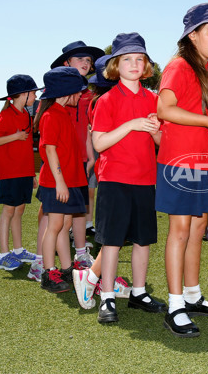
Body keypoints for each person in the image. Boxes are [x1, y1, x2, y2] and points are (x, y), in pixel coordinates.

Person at [156, 3, 208, 338]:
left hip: (204, 162)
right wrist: (207, 120)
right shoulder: (178, 66)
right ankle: (175, 306)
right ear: (192, 34)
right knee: (180, 230)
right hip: (178, 161)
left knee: (200, 225)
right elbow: (165, 109)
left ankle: (192, 295)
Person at [92, 32, 164, 324]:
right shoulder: (106, 100)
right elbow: (99, 143)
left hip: (146, 179)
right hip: (114, 180)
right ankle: (107, 297)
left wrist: (154, 130)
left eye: (139, 59)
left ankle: (138, 292)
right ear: (115, 66)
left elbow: (161, 141)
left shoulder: (155, 99)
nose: (134, 64)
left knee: (142, 240)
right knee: (111, 242)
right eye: (127, 59)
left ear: (146, 65)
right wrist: (132, 124)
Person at [72, 54, 131, 310]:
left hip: (124, 173)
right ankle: (93, 276)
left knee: (118, 233)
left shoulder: (105, 100)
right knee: (114, 234)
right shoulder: (104, 102)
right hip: (114, 174)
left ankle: (101, 276)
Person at [34, 67, 89, 293]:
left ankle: (66, 269)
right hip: (57, 182)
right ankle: (49, 272)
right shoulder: (51, 115)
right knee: (55, 226)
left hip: (70, 180)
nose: (80, 95)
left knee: (65, 224)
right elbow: (50, 150)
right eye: (78, 91)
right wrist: (60, 182)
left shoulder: (62, 113)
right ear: (67, 92)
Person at [52, 40, 104, 266]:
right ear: (66, 63)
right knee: (51, 214)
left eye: (88, 60)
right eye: (79, 58)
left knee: (80, 210)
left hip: (81, 162)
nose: (86, 62)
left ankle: (81, 253)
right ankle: (40, 259)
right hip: (60, 162)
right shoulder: (57, 92)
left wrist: (91, 156)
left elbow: (86, 128)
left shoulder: (87, 95)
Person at [0, 75, 42, 270]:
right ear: (22, 95)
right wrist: (15, 136)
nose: (35, 96)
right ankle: (3, 255)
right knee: (8, 211)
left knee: (19, 211)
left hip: (24, 173)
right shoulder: (7, 115)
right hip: (10, 173)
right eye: (33, 92)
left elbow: (26, 148)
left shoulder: (26, 115)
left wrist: (31, 174)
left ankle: (18, 251)